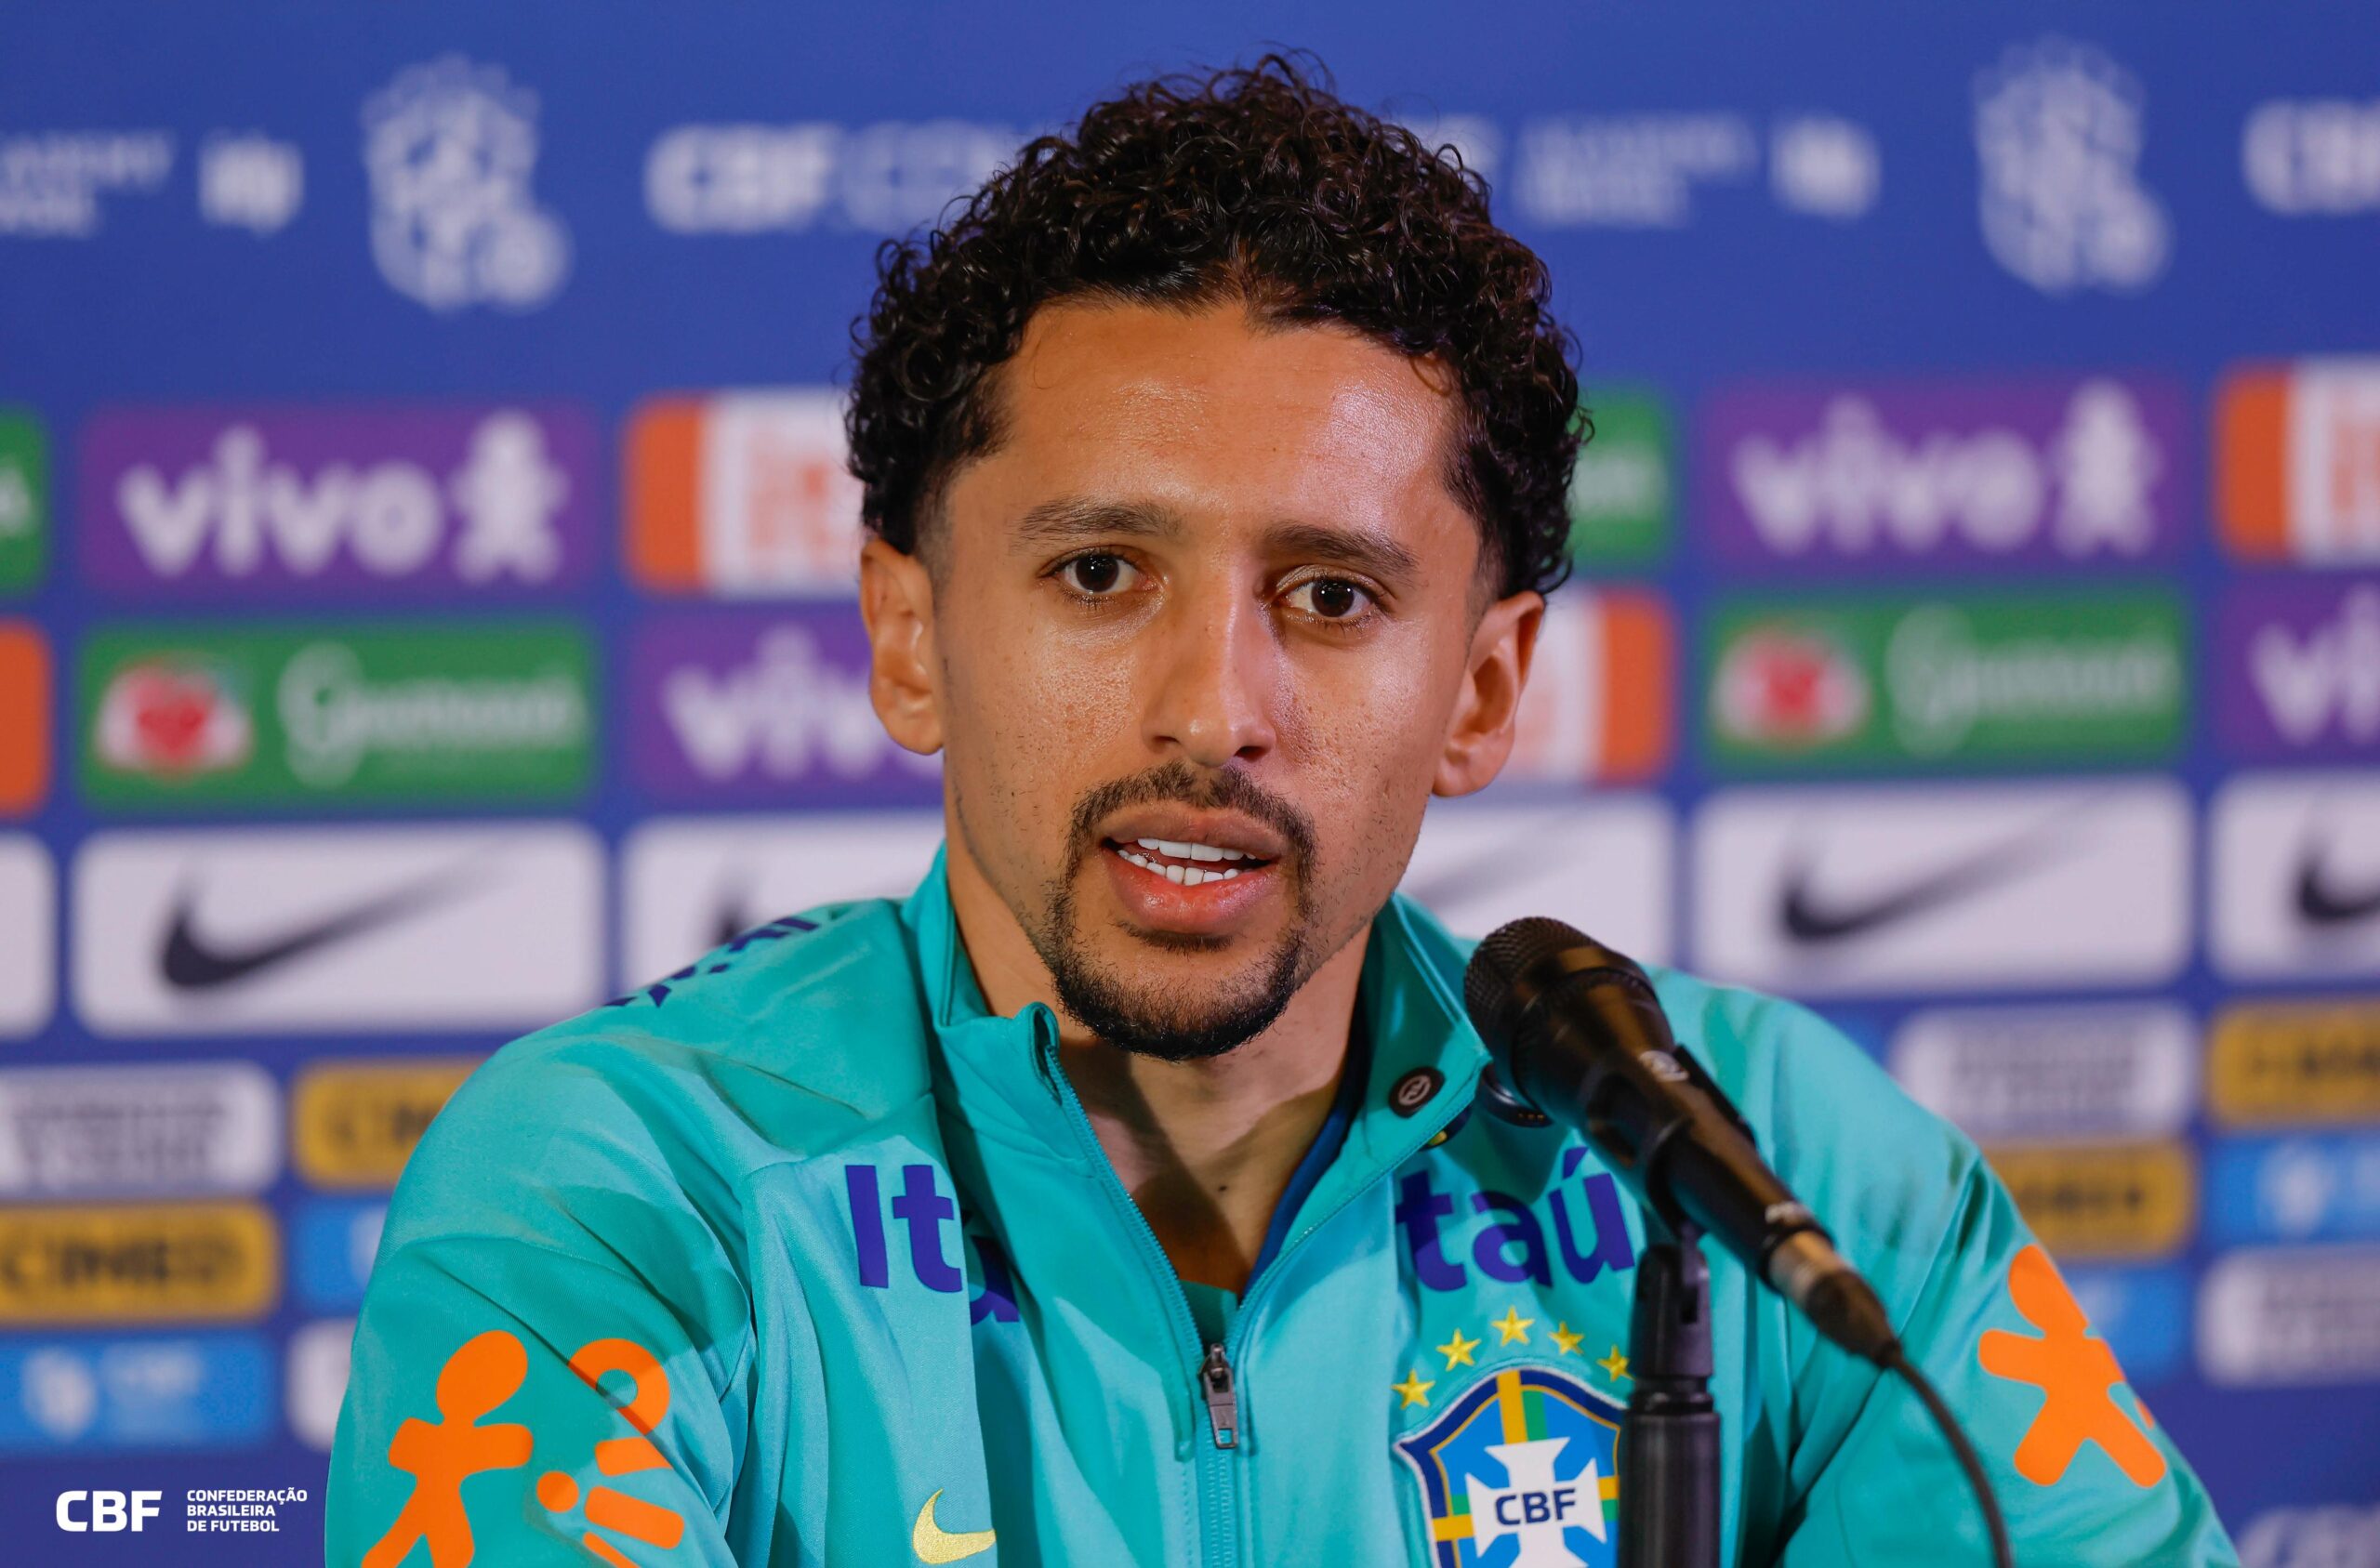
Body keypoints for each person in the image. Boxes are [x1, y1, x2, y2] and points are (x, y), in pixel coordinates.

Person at [326, 57, 2238, 1567]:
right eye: (1098, 574)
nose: (1213, 709)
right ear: (909, 636)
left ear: (1479, 689)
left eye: (1329, 596)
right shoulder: (616, 1191)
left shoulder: (1772, 1173)